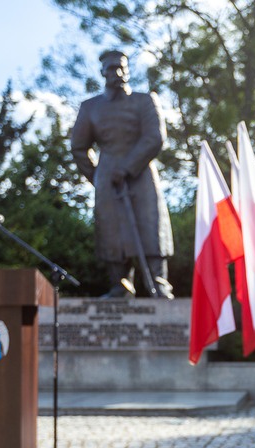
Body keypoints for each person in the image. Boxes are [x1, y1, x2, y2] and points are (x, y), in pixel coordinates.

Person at [70, 49, 174, 298]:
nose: (117, 72)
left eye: (121, 67)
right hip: (107, 178)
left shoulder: (145, 100)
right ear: (102, 72)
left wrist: (127, 167)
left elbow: (155, 137)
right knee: (112, 232)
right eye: (111, 68)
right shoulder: (90, 107)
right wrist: (97, 177)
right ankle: (120, 285)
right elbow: (78, 147)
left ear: (127, 70)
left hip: (141, 174)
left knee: (150, 226)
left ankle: (159, 283)